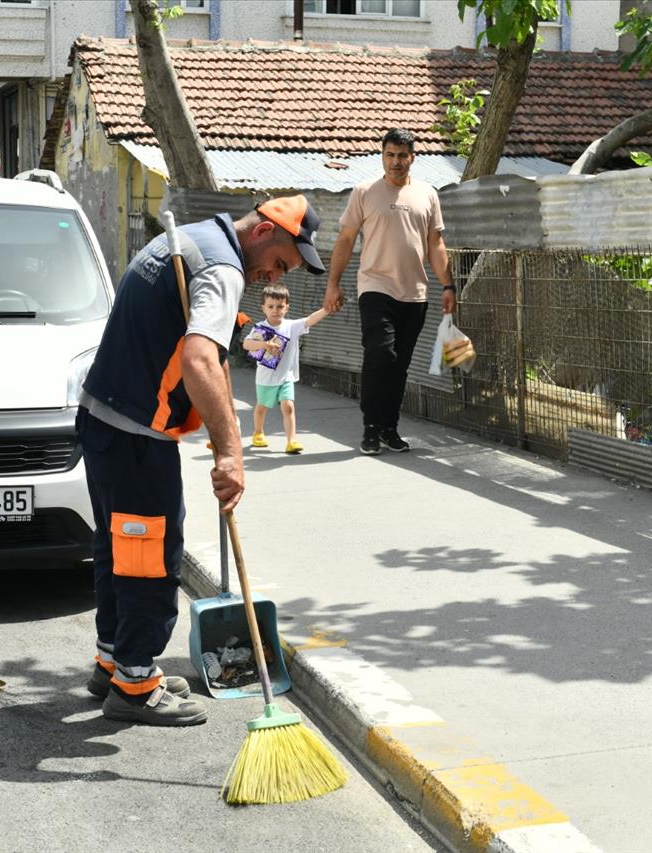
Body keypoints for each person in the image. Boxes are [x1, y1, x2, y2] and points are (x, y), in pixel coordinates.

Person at [78, 195, 326, 726]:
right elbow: (197, 359)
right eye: (280, 263)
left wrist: (255, 339)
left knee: (117, 547)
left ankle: (112, 659)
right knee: (149, 558)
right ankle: (136, 683)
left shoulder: (191, 240)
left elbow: (188, 316)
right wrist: (232, 452)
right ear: (262, 233)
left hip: (102, 418)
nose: (270, 277)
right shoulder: (222, 267)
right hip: (138, 434)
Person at [323, 128, 456, 455]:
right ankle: (370, 426)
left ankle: (389, 427)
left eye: (402, 155)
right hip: (375, 287)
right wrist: (333, 284)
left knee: (399, 365)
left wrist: (449, 284)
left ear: (413, 157)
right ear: (382, 156)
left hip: (415, 293)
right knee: (381, 353)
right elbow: (345, 240)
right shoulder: (364, 191)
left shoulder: (427, 194)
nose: (395, 162)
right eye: (390, 155)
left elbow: (435, 244)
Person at [243, 284, 330, 454]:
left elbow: (310, 319)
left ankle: (291, 440)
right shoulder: (259, 328)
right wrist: (264, 344)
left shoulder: (292, 326)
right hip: (266, 378)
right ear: (264, 308)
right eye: (271, 306)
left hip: (286, 377)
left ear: (287, 307)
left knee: (288, 406)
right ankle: (258, 432)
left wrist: (326, 309)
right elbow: (246, 344)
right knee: (262, 407)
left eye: (280, 306)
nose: (275, 310)